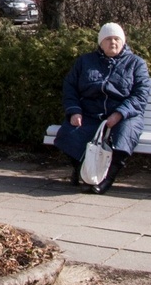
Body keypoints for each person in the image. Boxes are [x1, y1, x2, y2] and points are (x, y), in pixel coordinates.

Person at [55, 23, 151, 194]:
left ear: (123, 42)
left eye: (116, 39)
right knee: (68, 134)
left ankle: (107, 179)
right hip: (91, 111)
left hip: (126, 114)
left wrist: (119, 114)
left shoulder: (136, 63)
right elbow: (70, 86)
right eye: (108, 39)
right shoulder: (85, 61)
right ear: (101, 43)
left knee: (123, 137)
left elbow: (141, 94)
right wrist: (74, 110)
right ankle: (83, 170)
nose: (113, 42)